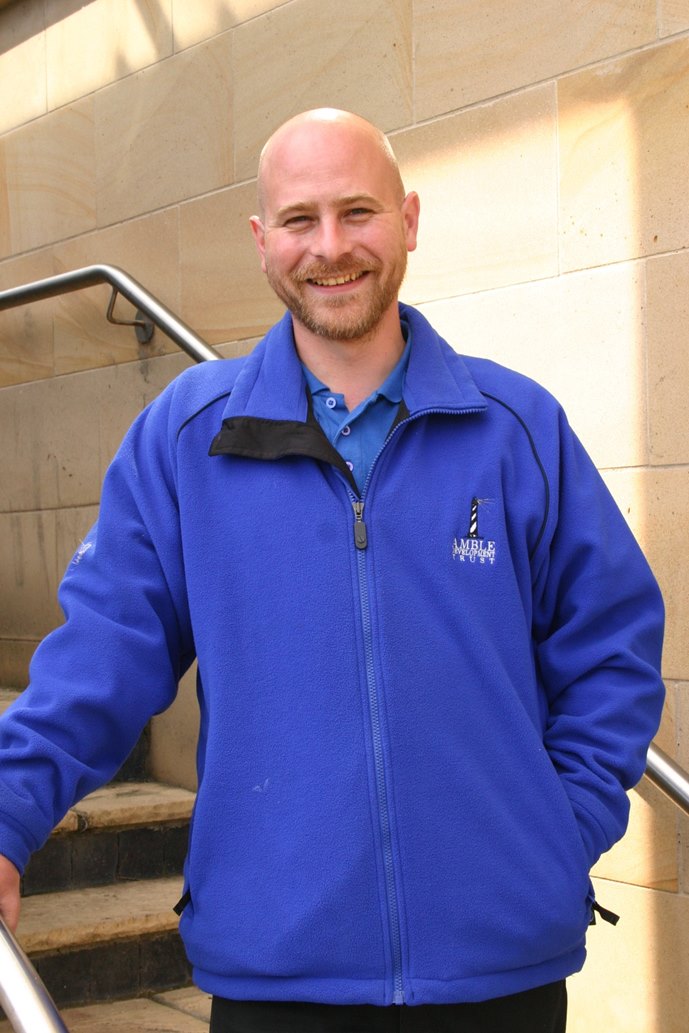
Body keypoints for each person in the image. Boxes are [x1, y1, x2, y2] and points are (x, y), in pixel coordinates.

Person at [0, 109, 665, 1033]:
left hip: (498, 968)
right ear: (261, 239)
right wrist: (8, 816)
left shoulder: (515, 428)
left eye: (357, 211)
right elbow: (98, 663)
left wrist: (558, 832)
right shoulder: (187, 440)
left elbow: (611, 650)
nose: (330, 246)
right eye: (299, 219)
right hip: (277, 972)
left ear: (408, 220)